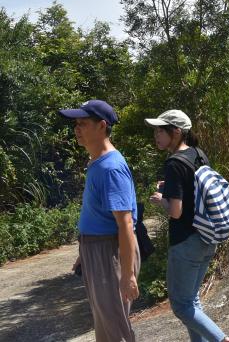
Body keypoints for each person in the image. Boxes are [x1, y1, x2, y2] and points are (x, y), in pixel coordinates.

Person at [146, 110, 229, 342]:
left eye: (161, 130)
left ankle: (223, 340)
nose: (156, 135)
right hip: (207, 237)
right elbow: (194, 188)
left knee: (181, 306)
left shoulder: (174, 163)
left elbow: (176, 212)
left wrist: (161, 199)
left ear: (177, 131)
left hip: (186, 242)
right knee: (192, 300)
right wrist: (170, 186)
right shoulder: (198, 154)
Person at [59, 100, 139, 342]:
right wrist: (85, 251)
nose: (77, 129)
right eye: (76, 124)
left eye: (83, 123)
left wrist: (127, 275)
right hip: (96, 250)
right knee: (105, 329)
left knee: (115, 330)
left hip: (109, 252)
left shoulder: (110, 168)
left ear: (102, 126)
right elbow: (97, 214)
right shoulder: (97, 162)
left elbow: (125, 224)